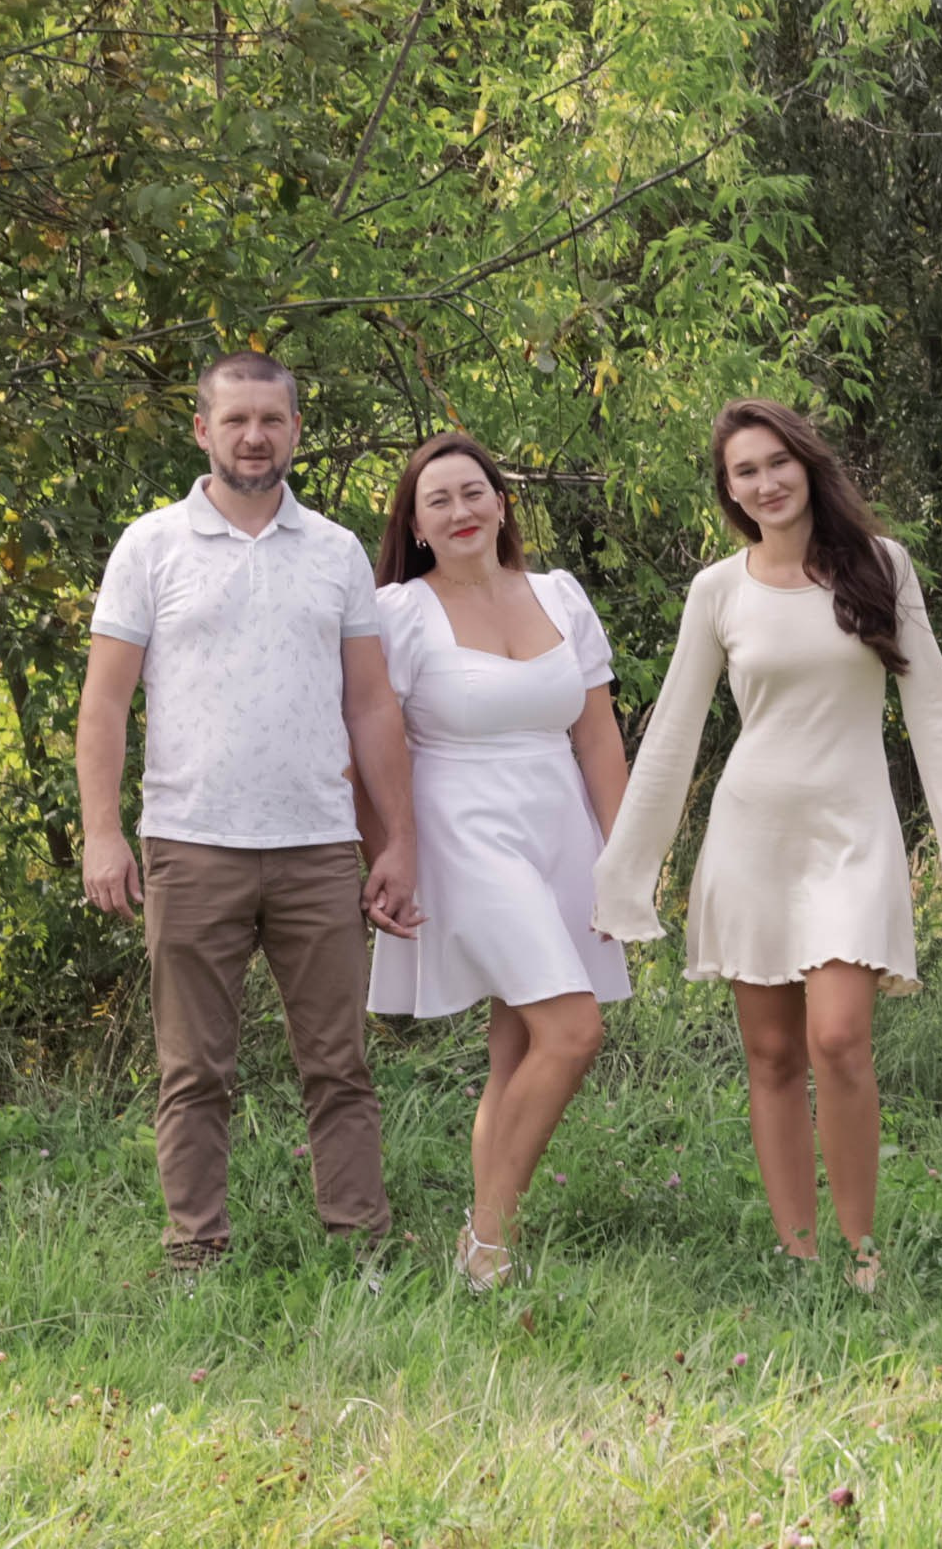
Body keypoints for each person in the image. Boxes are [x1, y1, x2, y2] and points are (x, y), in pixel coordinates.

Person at [592, 399, 942, 1291]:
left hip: (853, 837)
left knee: (839, 1038)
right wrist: (623, 877)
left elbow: (935, 716)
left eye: (777, 462)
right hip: (751, 840)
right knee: (773, 1055)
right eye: (745, 472)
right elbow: (670, 736)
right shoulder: (719, 590)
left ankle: (862, 1253)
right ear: (728, 490)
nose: (765, 483)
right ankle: (798, 1253)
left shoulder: (879, 568)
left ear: (807, 464)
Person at [77, 350, 420, 1275]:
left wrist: (396, 845)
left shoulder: (337, 551)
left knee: (340, 1067)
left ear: (296, 430)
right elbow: (105, 702)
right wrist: (102, 833)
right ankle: (196, 1252)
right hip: (191, 846)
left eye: (271, 419)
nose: (254, 436)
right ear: (203, 430)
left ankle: (362, 1252)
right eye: (235, 420)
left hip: (317, 846)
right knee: (193, 1073)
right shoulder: (150, 547)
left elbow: (372, 706)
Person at [356, 432, 631, 1291]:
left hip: (561, 829)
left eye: (473, 492)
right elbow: (366, 745)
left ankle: (487, 1257)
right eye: (437, 501)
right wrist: (386, 856)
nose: (459, 510)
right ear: (418, 525)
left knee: (516, 1052)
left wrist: (625, 860)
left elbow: (596, 735)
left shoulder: (558, 594)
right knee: (572, 1030)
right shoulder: (400, 612)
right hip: (462, 832)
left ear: (501, 503)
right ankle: (484, 1237)